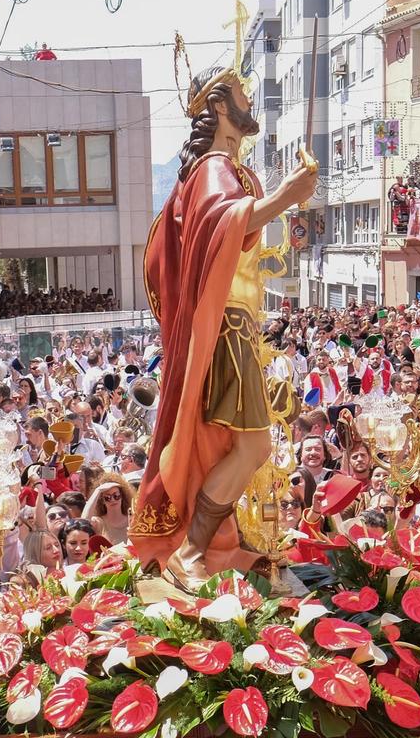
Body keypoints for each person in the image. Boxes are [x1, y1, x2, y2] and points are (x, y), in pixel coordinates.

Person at [130, 66, 317, 583]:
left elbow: (231, 228)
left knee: (236, 447)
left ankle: (206, 543)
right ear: (217, 107)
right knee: (253, 447)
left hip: (230, 329)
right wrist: (285, 196)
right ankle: (192, 552)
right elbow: (222, 222)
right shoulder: (215, 165)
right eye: (240, 93)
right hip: (226, 330)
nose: (249, 98)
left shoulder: (219, 168)